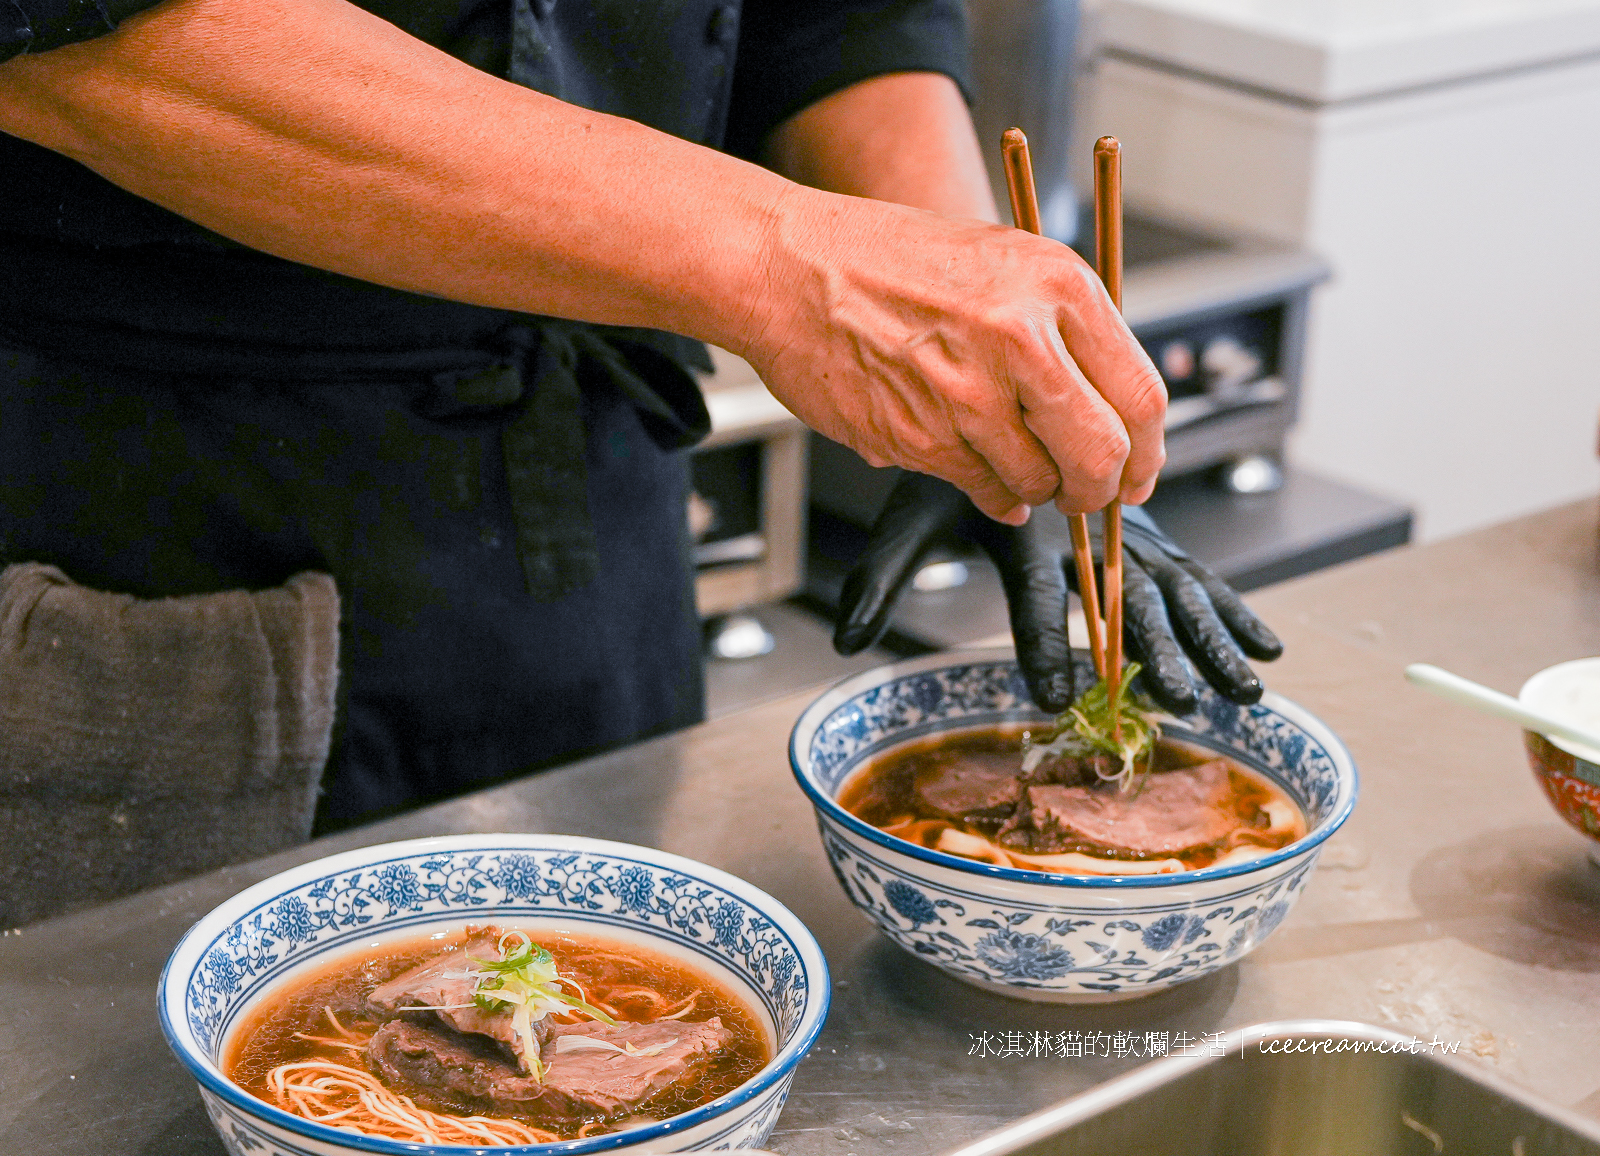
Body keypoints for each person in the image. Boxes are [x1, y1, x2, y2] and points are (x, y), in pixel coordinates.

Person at [0, 0, 1276, 835]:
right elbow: (81, 36)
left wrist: (964, 321)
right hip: (151, 516)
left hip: (594, 508)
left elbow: (837, 15)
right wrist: (792, 266)